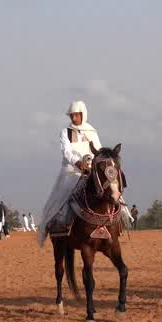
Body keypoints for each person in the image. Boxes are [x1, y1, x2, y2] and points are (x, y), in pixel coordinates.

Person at [38, 101, 133, 246]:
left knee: (112, 187)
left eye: (76, 115)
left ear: (83, 114)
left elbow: (99, 151)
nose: (73, 118)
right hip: (71, 170)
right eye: (71, 115)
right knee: (59, 198)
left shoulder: (92, 131)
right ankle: (55, 225)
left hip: (92, 169)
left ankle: (122, 219)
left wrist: (96, 166)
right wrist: (78, 163)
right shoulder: (65, 132)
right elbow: (67, 151)